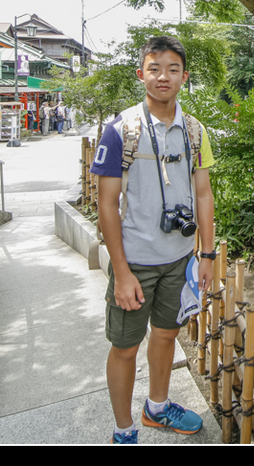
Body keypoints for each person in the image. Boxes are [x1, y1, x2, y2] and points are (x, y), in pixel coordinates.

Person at [89, 36, 216, 444]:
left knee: (166, 335)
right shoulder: (121, 130)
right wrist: (121, 271)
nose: (164, 77)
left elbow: (203, 194)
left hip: (179, 260)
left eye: (173, 69)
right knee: (125, 347)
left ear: (184, 77)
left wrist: (207, 254)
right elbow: (106, 203)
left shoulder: (194, 130)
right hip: (135, 262)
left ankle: (157, 408)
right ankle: (123, 430)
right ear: (141, 74)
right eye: (155, 68)